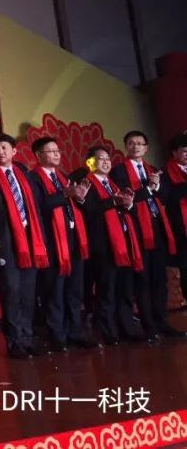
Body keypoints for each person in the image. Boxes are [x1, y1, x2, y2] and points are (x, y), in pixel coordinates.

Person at [0, 133, 50, 359]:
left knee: (28, 292)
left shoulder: (24, 175)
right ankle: (14, 341)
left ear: (14, 151)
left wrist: (41, 238)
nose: (0, 151)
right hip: (5, 241)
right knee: (11, 290)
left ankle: (27, 338)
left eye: (4, 147)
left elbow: (35, 208)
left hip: (31, 240)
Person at [110, 131, 184, 339]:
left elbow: (165, 197)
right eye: (131, 143)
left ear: (146, 148)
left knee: (159, 280)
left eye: (140, 143)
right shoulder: (118, 171)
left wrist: (157, 186)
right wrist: (149, 189)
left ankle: (162, 322)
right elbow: (125, 199)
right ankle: (148, 326)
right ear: (126, 146)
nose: (136, 147)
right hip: (137, 230)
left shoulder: (152, 169)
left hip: (157, 229)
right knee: (142, 281)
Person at [26, 136, 96, 351]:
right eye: (51, 151)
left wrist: (80, 197)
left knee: (74, 290)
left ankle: (75, 332)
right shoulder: (32, 178)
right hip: (53, 242)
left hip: (73, 239)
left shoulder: (62, 176)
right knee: (54, 291)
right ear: (39, 155)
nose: (57, 154)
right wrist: (65, 194)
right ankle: (57, 336)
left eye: (57, 150)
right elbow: (38, 206)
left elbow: (73, 202)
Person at [79, 145, 145, 345]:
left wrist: (129, 204)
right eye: (101, 158)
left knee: (124, 289)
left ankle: (126, 327)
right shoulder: (87, 184)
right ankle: (107, 331)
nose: (106, 162)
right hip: (103, 246)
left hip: (123, 244)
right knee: (106, 290)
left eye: (108, 158)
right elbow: (88, 212)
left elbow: (126, 211)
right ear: (91, 163)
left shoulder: (113, 184)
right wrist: (112, 203)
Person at [165, 133, 187, 308]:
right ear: (174, 153)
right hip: (181, 227)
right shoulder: (166, 173)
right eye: (185, 151)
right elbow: (167, 197)